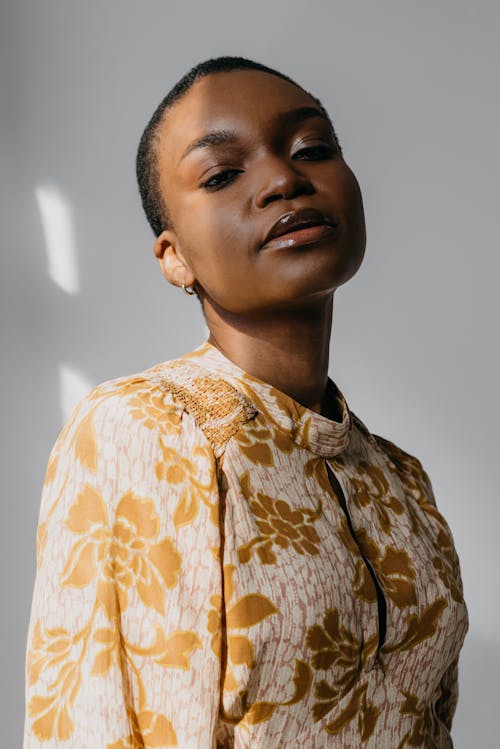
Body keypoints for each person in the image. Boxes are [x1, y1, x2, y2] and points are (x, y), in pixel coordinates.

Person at [23, 56, 468, 748]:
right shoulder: (143, 430)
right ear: (174, 257)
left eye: (312, 148)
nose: (285, 179)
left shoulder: (400, 481)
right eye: (223, 174)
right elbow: (90, 725)